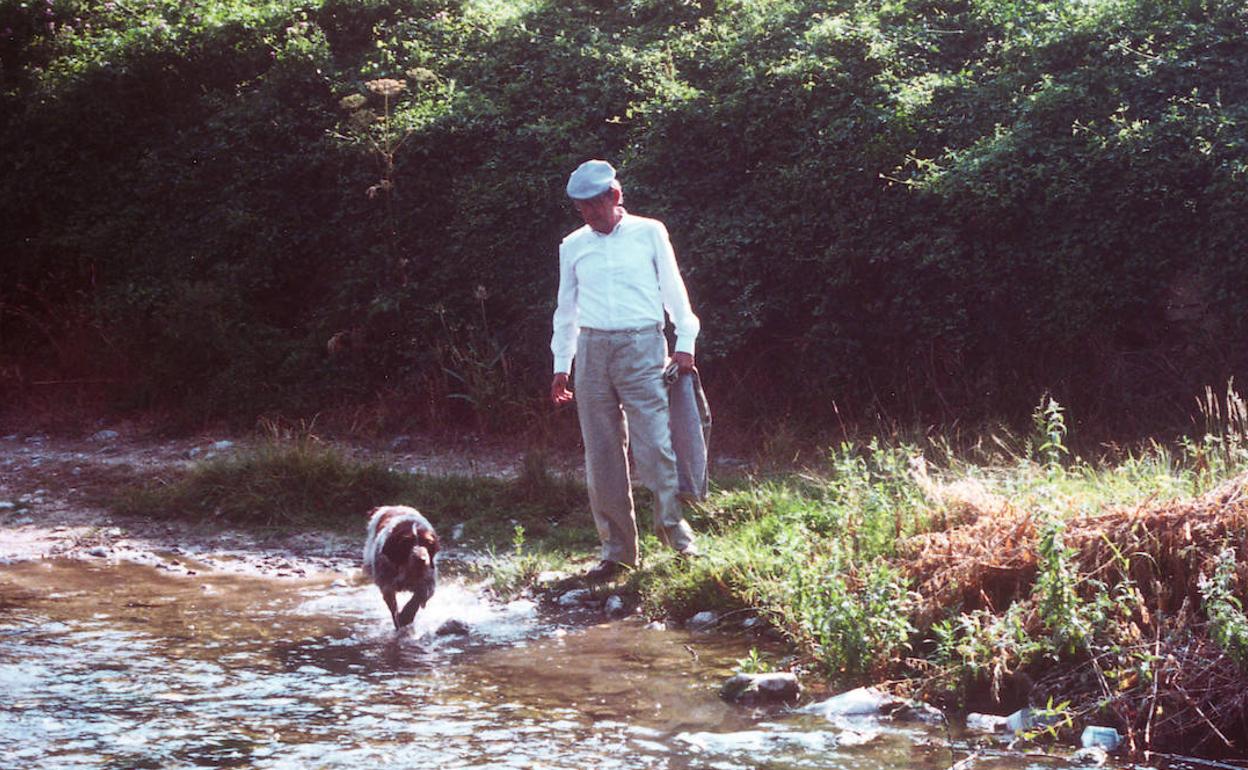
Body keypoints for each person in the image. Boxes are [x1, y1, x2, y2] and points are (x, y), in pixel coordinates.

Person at [550, 159, 700, 581]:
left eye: (594, 207)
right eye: (580, 209)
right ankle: (617, 552)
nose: (587, 216)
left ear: (614, 197)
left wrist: (684, 341)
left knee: (655, 447)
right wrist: (562, 364)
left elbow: (675, 292)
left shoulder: (650, 232)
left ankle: (677, 539)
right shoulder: (573, 245)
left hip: (643, 346)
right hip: (592, 351)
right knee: (601, 455)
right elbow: (566, 309)